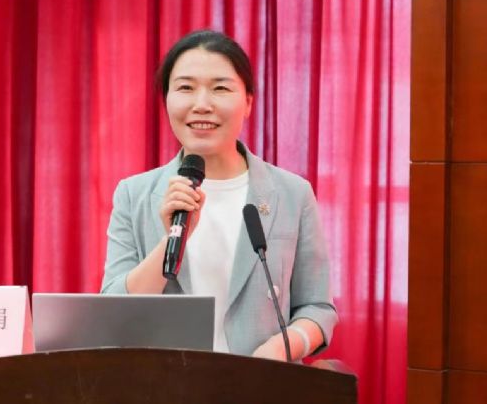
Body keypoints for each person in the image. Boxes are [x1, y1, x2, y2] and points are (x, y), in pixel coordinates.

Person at [100, 30, 337, 361]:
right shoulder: (134, 194)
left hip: (261, 381)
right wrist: (171, 239)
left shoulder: (292, 194)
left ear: (248, 102)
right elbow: (113, 313)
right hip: (166, 382)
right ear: (166, 100)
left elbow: (317, 307)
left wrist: (281, 348)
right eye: (185, 88)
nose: (201, 105)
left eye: (220, 88)